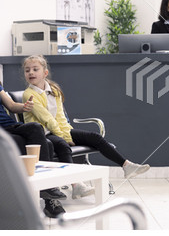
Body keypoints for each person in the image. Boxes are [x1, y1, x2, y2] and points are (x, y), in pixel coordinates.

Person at [21, 55, 150, 181]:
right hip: (45, 134)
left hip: (59, 130)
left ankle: (127, 166)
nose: (31, 73)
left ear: (45, 73)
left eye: (35, 69)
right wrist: (65, 138)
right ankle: (76, 185)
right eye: (27, 70)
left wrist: (67, 133)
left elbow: (60, 117)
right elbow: (47, 119)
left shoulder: (53, 90)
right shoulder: (29, 94)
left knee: (95, 137)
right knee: (63, 145)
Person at [0, 82, 67, 218]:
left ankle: (47, 190)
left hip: (9, 126)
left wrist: (24, 107)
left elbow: (12, 106)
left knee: (41, 135)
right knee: (42, 141)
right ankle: (49, 195)